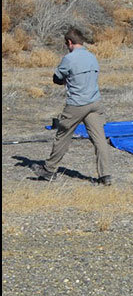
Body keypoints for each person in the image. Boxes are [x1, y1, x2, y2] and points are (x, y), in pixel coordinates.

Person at [31, 27, 112, 184]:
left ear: (69, 42)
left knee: (62, 136)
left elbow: (57, 78)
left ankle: (49, 170)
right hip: (94, 102)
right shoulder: (92, 56)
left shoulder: (69, 58)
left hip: (76, 104)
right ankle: (105, 176)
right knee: (100, 140)